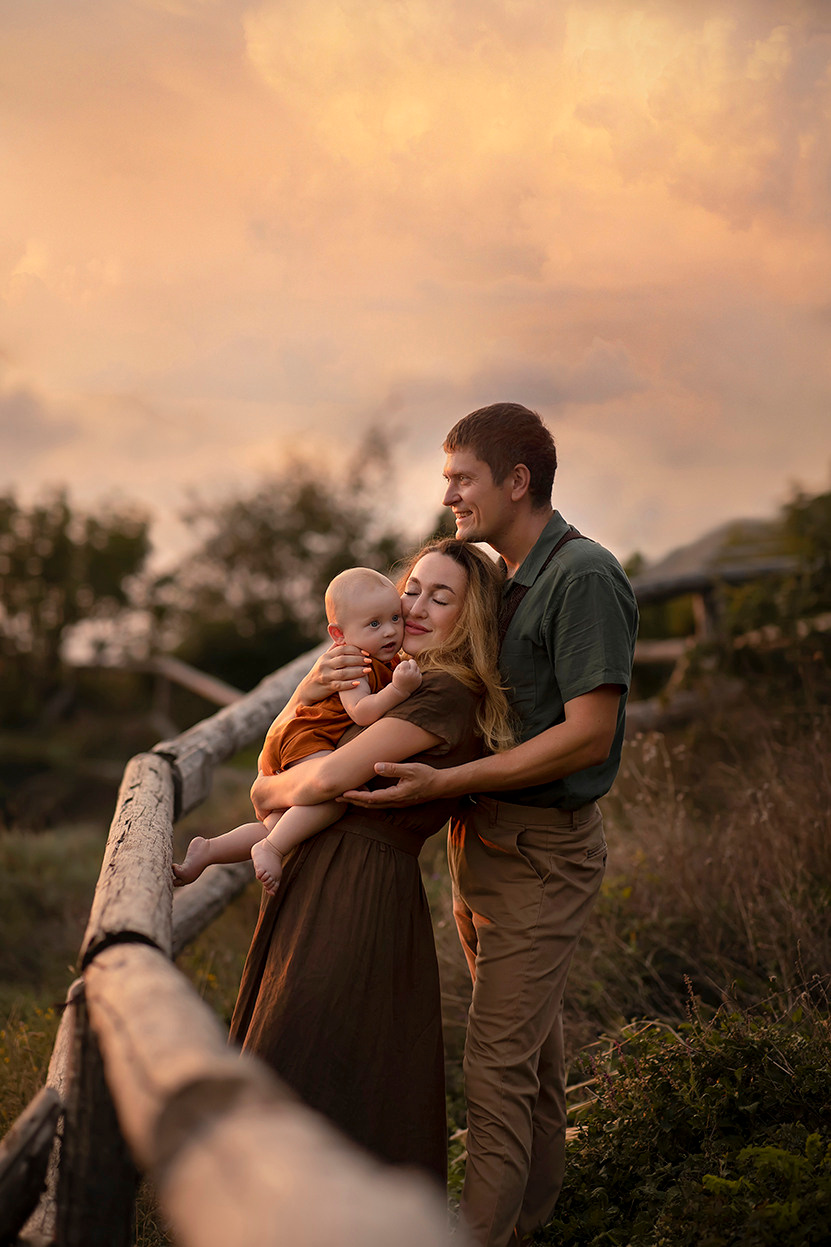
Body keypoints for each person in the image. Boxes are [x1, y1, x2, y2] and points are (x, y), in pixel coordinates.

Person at [340, 403, 639, 1246]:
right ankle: (535, 1221)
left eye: (461, 479)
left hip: (541, 853)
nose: (448, 497)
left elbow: (586, 735)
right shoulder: (499, 578)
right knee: (529, 1061)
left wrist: (448, 780)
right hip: (482, 846)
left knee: (494, 1066)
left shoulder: (581, 576)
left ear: (515, 480)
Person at [228, 538, 515, 1185]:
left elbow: (326, 777)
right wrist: (304, 692)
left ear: (469, 617)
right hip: (330, 875)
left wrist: (264, 793)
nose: (414, 607)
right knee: (303, 1055)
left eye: (440, 597)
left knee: (309, 1058)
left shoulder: (442, 692)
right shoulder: (392, 678)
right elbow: (290, 744)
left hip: (357, 889)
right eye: (412, 588)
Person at [173, 566, 422, 895]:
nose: (389, 631)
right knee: (335, 797)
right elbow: (361, 711)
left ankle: (210, 850)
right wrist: (399, 690)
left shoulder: (381, 658)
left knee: (279, 824)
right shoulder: (352, 662)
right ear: (339, 635)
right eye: (374, 624)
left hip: (303, 740)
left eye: (395, 618)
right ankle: (272, 849)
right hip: (307, 739)